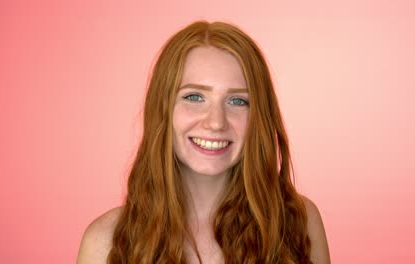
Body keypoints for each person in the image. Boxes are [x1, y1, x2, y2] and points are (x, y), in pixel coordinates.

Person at [77, 21, 330, 264]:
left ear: (259, 118)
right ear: (162, 109)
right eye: (194, 97)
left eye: (238, 101)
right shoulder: (103, 242)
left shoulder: (300, 222)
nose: (216, 122)